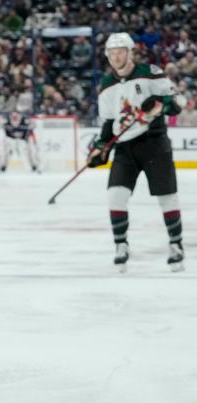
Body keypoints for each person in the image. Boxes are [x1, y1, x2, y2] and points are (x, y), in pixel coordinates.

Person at [88, 32, 185, 272]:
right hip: (125, 147)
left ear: (130, 53)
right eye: (112, 53)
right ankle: (121, 246)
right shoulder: (106, 84)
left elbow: (177, 103)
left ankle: (176, 244)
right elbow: (109, 123)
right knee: (115, 196)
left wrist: (160, 105)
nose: (116, 56)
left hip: (154, 143)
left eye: (120, 51)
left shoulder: (149, 72)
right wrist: (101, 146)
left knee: (167, 197)